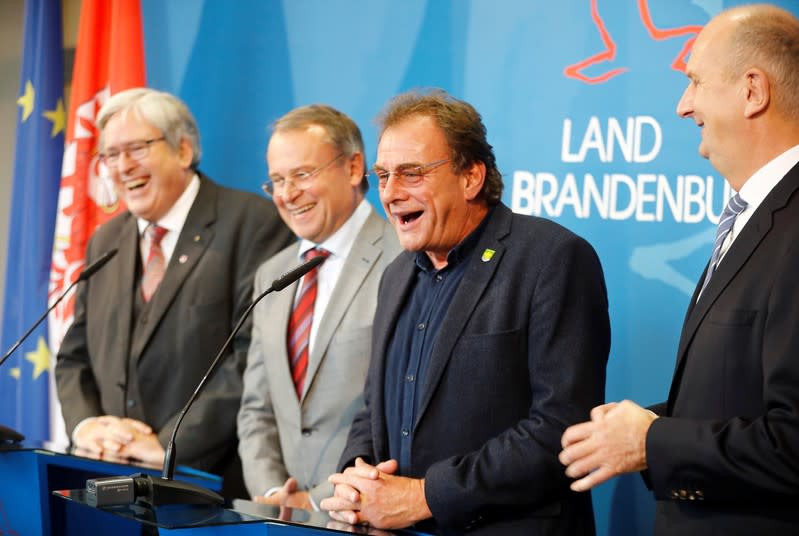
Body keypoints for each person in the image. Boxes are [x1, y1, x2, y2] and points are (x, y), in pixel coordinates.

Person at [320, 89, 610, 534]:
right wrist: (355, 479)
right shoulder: (396, 275)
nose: (391, 194)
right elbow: (373, 410)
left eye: (411, 174)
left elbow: (560, 428)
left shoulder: (552, 259)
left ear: (471, 177)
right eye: (383, 176)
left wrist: (424, 497)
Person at [559, 4, 799, 534]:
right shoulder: (757, 215)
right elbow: (740, 398)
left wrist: (651, 441)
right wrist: (637, 429)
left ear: (753, 91)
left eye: (694, 81)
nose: (682, 104)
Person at [54, 88, 294, 498]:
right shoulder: (105, 241)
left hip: (209, 489)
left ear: (183, 150)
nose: (123, 166)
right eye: (110, 155)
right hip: (112, 485)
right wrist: (88, 425)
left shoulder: (252, 224)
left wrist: (168, 444)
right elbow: (74, 355)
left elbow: (253, 358)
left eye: (137, 148)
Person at [236, 104, 401, 510]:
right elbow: (257, 408)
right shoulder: (271, 273)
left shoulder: (404, 258)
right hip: (282, 517)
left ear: (352, 167)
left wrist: (322, 499)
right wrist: (276, 494)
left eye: (302, 175)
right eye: (276, 180)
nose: (288, 194)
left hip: (369, 513)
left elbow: (402, 412)